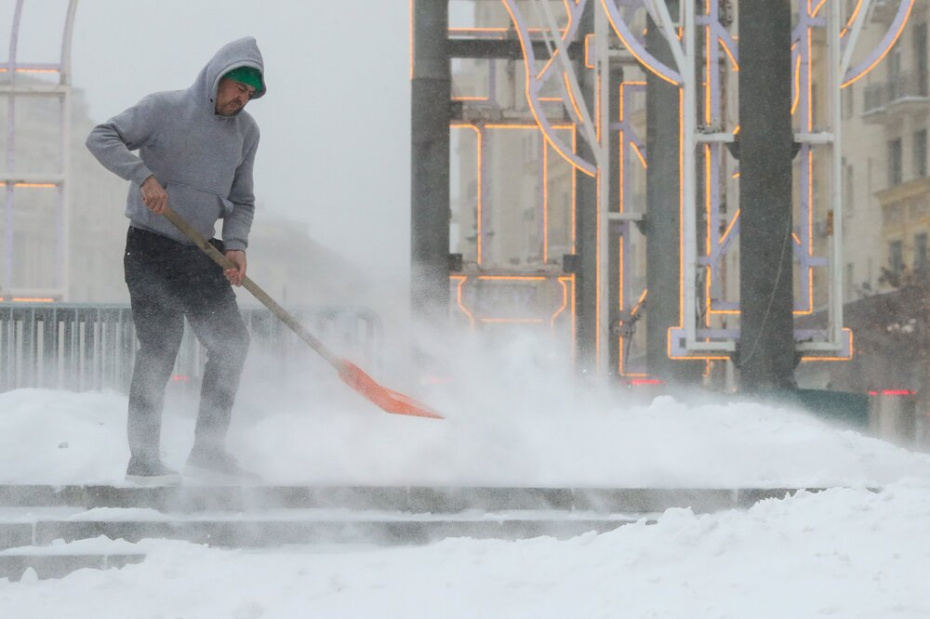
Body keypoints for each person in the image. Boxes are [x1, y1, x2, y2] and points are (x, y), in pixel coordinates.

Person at [86, 37, 266, 485]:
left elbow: (242, 200)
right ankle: (143, 459)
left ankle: (208, 452)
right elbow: (101, 136)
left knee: (231, 344)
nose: (241, 97)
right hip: (151, 247)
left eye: (250, 91)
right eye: (237, 85)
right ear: (216, 77)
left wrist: (237, 244)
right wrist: (142, 175)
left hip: (203, 250)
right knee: (160, 348)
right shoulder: (163, 109)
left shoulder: (247, 133)